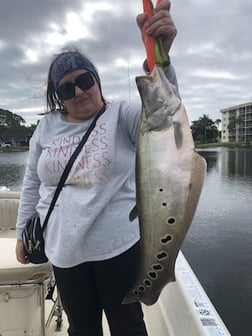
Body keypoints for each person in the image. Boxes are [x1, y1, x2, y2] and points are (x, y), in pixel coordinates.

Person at [16, 1, 178, 335]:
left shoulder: (124, 115)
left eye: (84, 80)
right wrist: (21, 233)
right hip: (64, 252)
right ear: (58, 96)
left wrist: (160, 58)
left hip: (118, 249)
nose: (78, 91)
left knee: (128, 326)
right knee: (83, 328)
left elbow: (165, 112)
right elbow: (32, 182)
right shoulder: (45, 129)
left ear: (97, 79)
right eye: (66, 88)